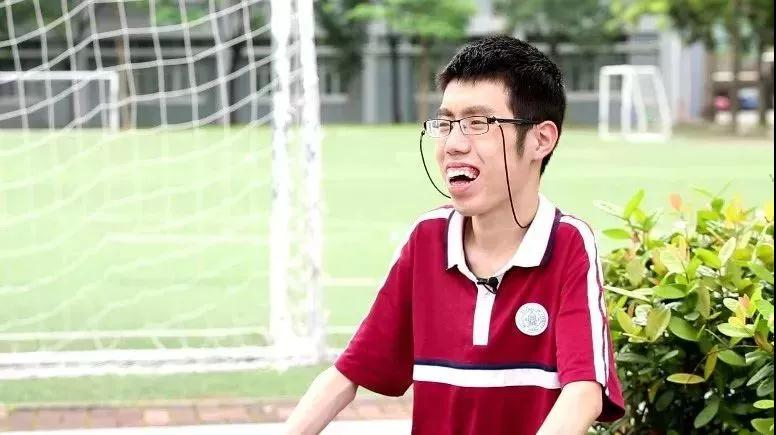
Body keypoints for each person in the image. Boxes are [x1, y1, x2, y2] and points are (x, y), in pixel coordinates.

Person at [284, 35, 625, 435]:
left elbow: (583, 392)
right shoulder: (428, 238)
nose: (454, 144)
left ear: (541, 139)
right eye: (445, 124)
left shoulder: (568, 243)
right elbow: (348, 374)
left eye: (479, 124)